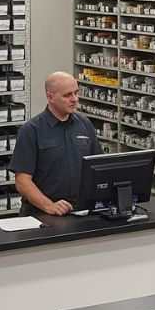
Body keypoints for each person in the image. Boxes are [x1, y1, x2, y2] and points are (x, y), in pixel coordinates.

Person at [8, 71, 102, 215]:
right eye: (67, 95)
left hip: (80, 211)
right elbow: (22, 181)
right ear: (50, 97)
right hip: (42, 213)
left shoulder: (84, 124)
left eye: (76, 93)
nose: (75, 99)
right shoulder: (31, 131)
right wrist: (49, 206)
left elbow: (99, 166)